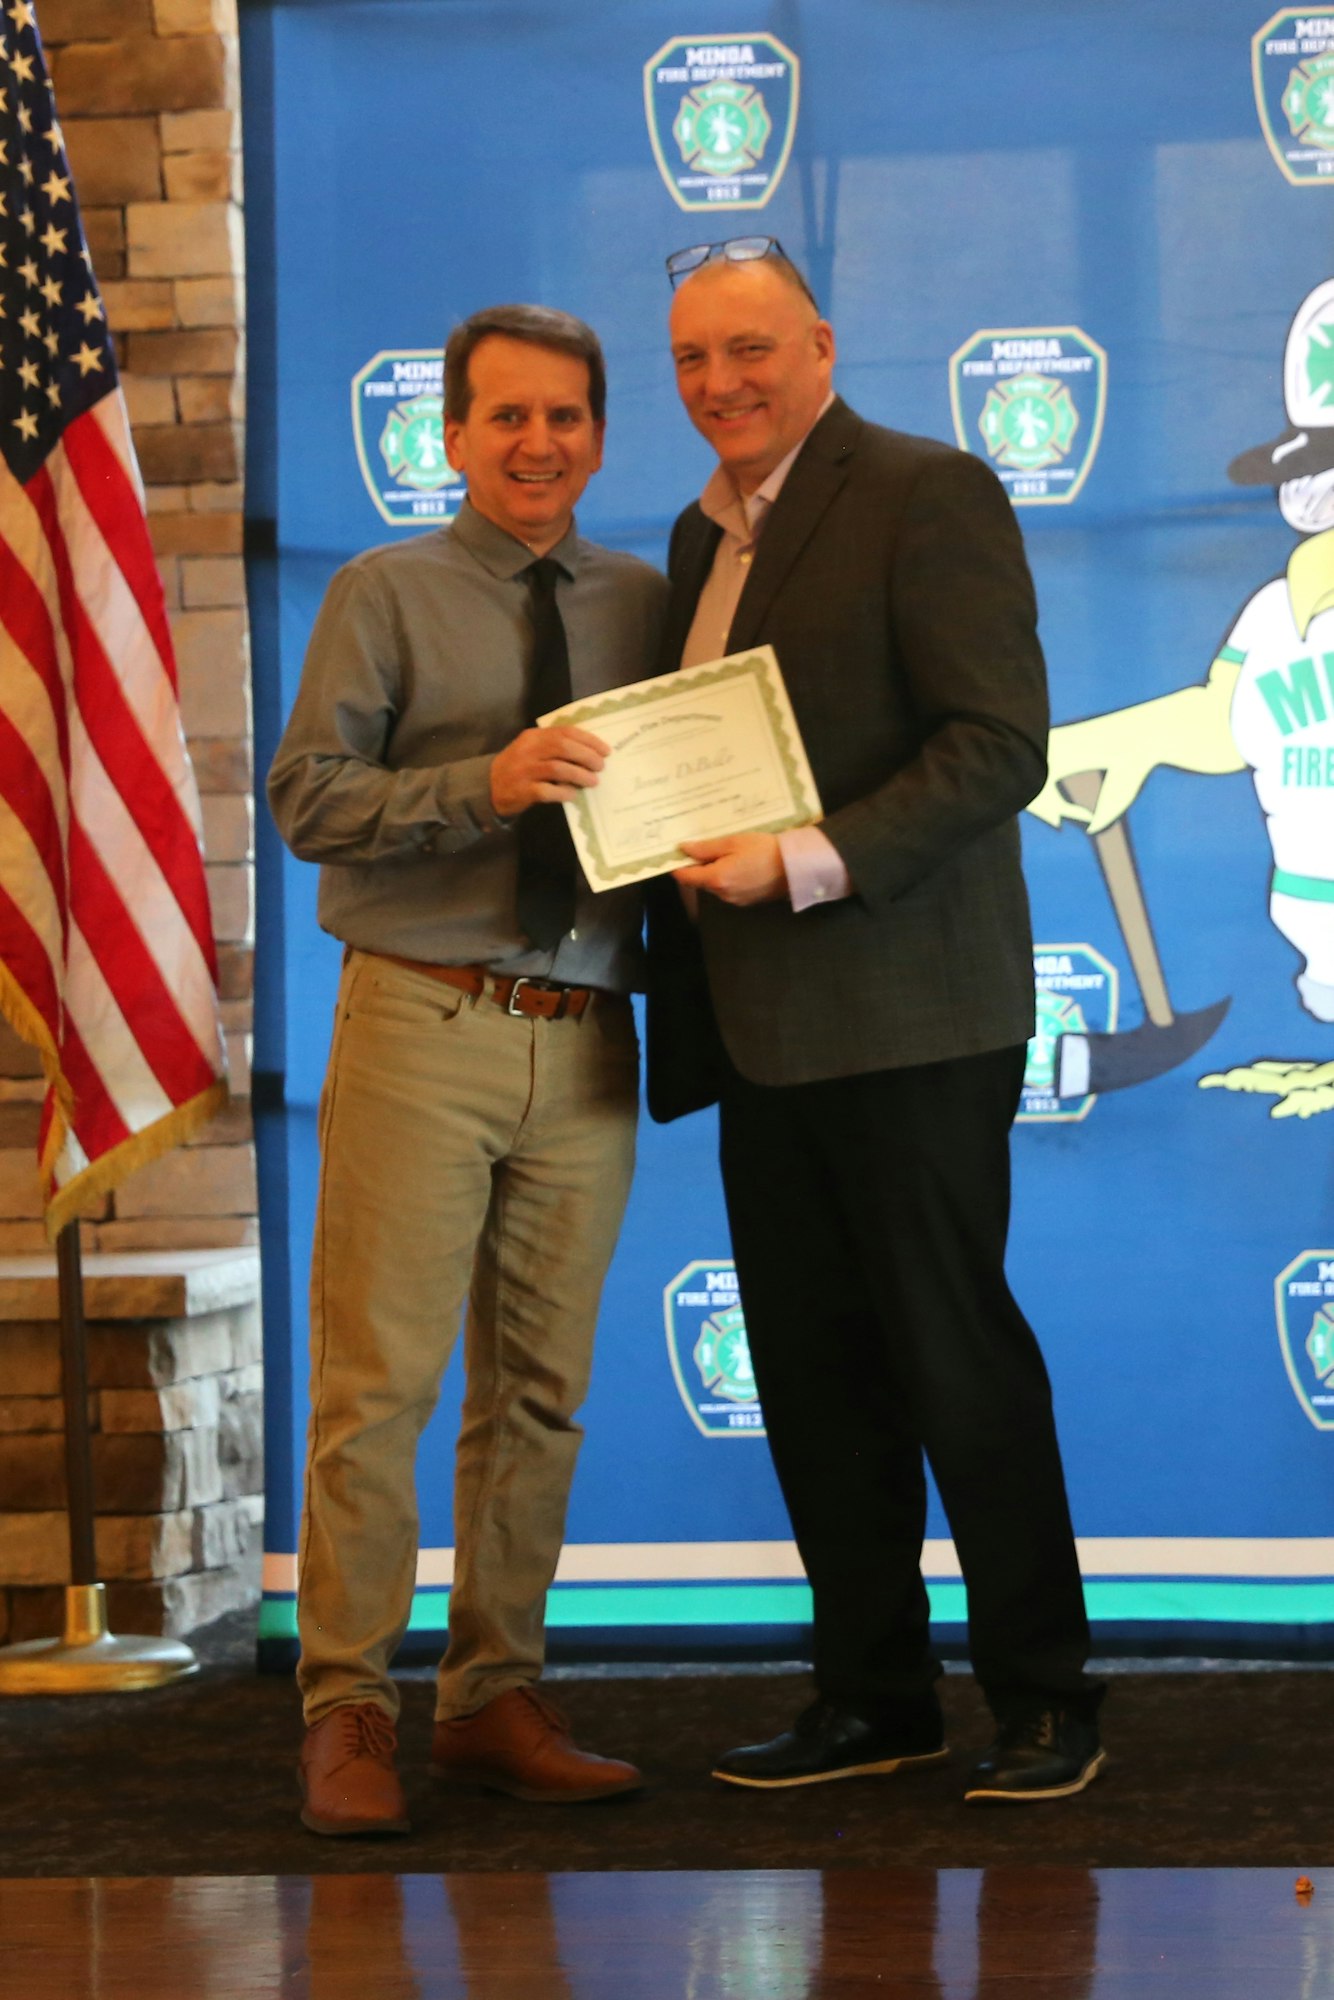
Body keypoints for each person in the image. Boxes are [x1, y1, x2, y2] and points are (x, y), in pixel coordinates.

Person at [646, 238, 1105, 1804]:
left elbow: (996, 746)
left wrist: (804, 859)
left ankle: (1045, 1698)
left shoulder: (928, 491)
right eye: (695, 359)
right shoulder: (689, 539)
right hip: (755, 1027)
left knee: (953, 1362)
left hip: (911, 1015)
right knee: (814, 1377)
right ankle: (872, 1696)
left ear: (821, 346)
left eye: (750, 349)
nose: (723, 383)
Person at [269, 304, 667, 1836]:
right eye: (504, 416)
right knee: (374, 1390)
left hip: (586, 1044)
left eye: (564, 417)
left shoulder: (644, 601)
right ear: (448, 434)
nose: (536, 443)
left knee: (541, 1396)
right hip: (421, 1021)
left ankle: (493, 1694)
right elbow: (308, 798)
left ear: (598, 435)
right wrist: (482, 786)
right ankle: (347, 1708)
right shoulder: (385, 592)